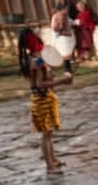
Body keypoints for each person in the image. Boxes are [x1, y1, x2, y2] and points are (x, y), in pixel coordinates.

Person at [19, 26, 73, 174]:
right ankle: (50, 166)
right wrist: (62, 81)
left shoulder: (34, 59)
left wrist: (56, 79)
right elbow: (39, 84)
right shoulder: (36, 62)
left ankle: (53, 160)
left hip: (45, 98)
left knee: (48, 134)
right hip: (41, 100)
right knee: (46, 134)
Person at [50, 2, 77, 73]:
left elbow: (70, 22)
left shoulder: (65, 16)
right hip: (61, 38)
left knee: (66, 55)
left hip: (67, 37)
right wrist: (61, 27)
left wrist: (75, 23)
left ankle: (68, 70)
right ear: (61, 9)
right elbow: (54, 28)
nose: (67, 10)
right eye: (65, 9)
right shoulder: (56, 16)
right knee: (64, 55)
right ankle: (67, 70)